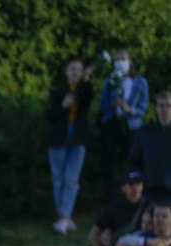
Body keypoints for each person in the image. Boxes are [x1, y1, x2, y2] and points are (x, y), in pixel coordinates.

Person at [46, 57, 94, 234]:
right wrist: (63, 106)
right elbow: (49, 116)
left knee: (72, 179)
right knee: (58, 178)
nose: (75, 72)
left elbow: (89, 97)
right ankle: (63, 215)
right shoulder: (58, 92)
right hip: (59, 139)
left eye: (79, 70)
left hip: (78, 139)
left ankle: (65, 216)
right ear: (66, 71)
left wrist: (86, 80)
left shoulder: (83, 90)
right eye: (72, 69)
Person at [98, 48, 149, 199]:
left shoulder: (140, 82)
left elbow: (142, 109)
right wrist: (113, 106)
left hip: (132, 126)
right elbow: (103, 107)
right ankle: (111, 198)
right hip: (113, 124)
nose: (120, 63)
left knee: (133, 161)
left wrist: (129, 109)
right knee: (110, 162)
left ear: (130, 61)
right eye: (117, 60)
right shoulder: (110, 81)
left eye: (123, 59)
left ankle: (136, 195)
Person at [130, 90, 171, 199]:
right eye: (161, 105)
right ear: (156, 108)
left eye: (168, 105)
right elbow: (134, 161)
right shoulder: (145, 132)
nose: (165, 109)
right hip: (149, 192)